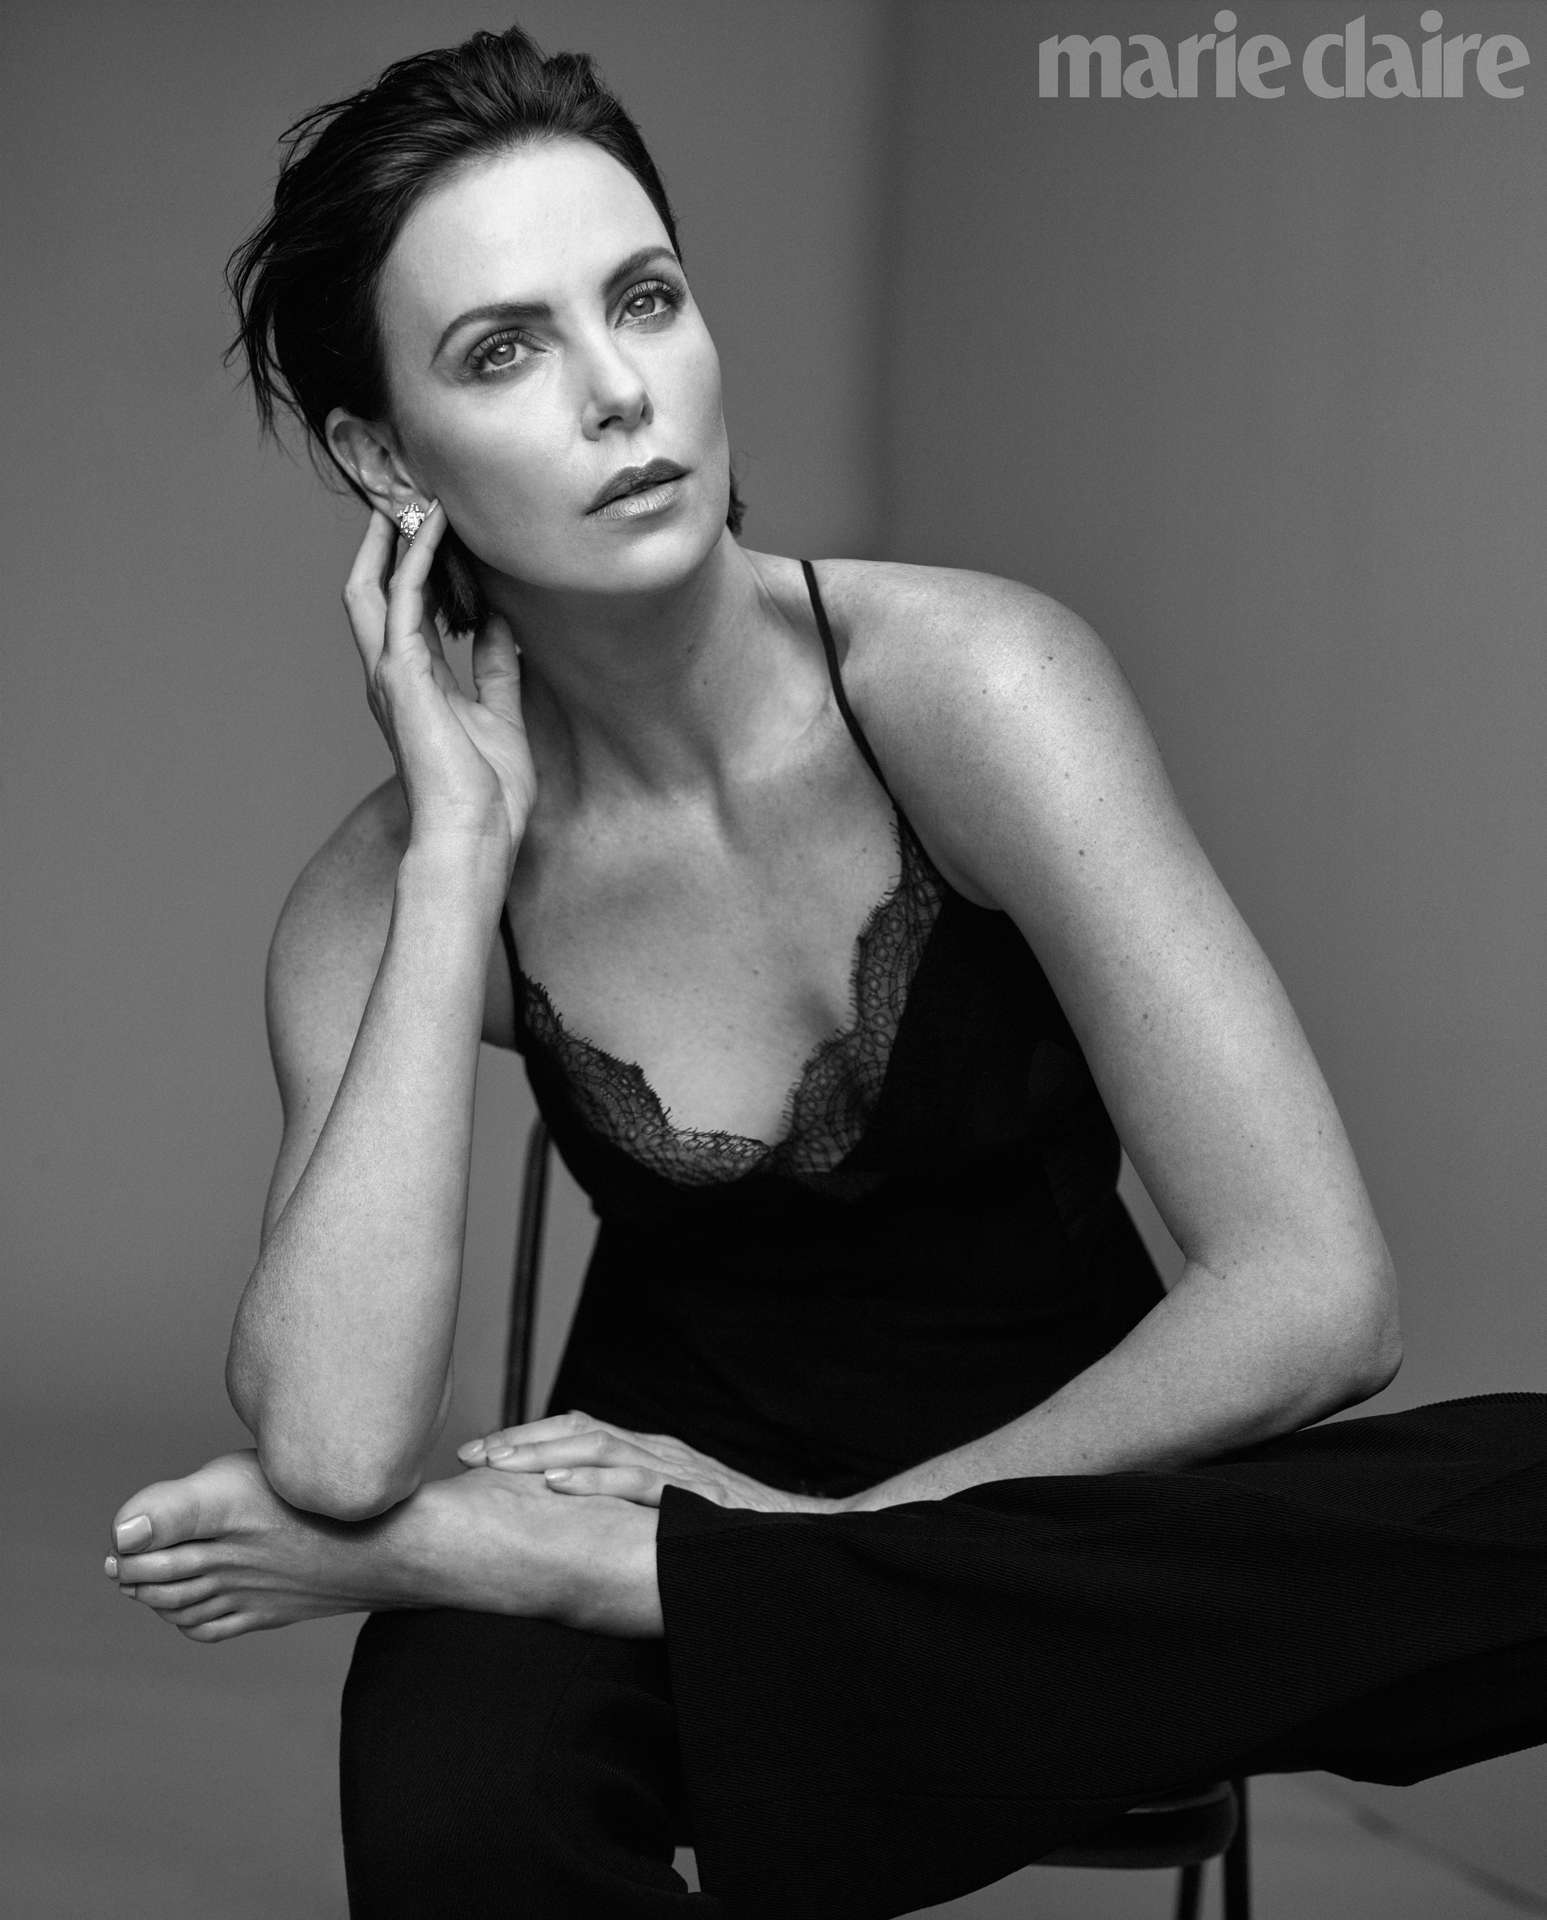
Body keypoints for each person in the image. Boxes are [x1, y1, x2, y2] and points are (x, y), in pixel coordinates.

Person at [103, 23, 1547, 1920]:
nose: (621, 392)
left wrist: (776, 1551)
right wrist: (458, 855)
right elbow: (332, 1446)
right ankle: (647, 1591)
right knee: (465, 1805)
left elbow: (1317, 1296)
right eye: (504, 350)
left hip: (1073, 1503)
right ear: (385, 458)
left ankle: (630, 1581)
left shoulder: (973, 686)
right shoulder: (373, 893)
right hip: (657, 1470)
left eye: (644, 299)